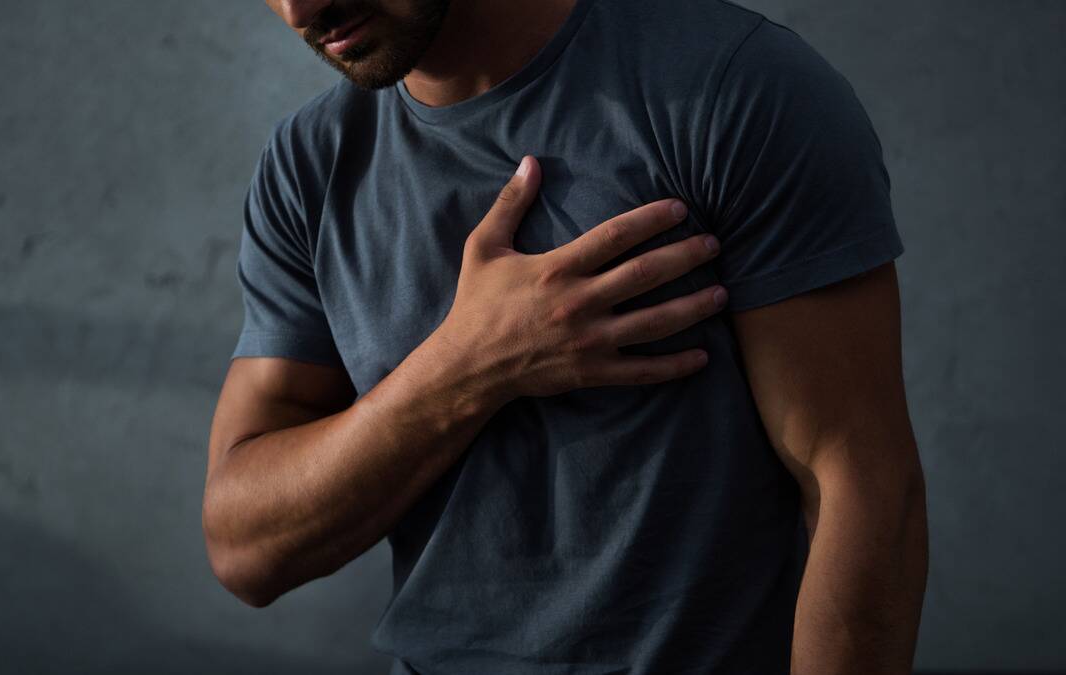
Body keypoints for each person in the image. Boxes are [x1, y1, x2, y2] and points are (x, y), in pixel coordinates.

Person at [202, 0, 929, 672]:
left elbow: (861, 487)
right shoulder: (309, 166)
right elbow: (246, 547)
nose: (300, 8)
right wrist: (467, 367)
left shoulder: (734, 89)